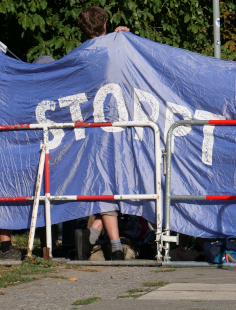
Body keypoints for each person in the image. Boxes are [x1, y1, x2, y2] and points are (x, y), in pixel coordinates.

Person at [75, 6, 129, 261]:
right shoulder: (116, 48)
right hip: (114, 129)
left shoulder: (78, 55)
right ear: (105, 24)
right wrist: (123, 39)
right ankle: (116, 246)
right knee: (110, 185)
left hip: (89, 131)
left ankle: (90, 238)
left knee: (110, 186)